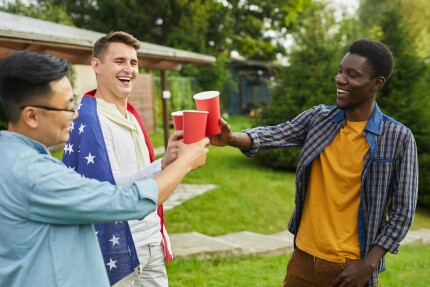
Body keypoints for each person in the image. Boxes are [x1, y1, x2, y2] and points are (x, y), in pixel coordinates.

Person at [210, 39, 418, 287]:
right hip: (303, 260)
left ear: (377, 83)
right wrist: (232, 138)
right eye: (340, 71)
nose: (340, 79)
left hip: (350, 267)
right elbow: (275, 134)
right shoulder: (318, 119)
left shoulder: (398, 138)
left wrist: (368, 264)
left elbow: (402, 212)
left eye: (352, 74)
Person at [0, 51, 209, 287]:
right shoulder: (34, 174)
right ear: (32, 116)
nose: (76, 113)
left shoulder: (10, 156)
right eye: (68, 106)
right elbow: (124, 201)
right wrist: (185, 162)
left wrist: (163, 164)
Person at [61, 31, 175, 287]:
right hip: (116, 247)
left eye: (133, 63)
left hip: (150, 240)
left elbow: (140, 173)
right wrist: (169, 166)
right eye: (120, 61)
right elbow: (107, 191)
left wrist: (167, 160)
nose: (129, 69)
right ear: (97, 65)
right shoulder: (89, 120)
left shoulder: (132, 116)